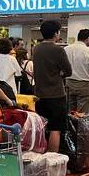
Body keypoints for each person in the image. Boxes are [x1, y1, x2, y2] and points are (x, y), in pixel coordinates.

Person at [32, 21, 72, 153]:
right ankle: (52, 160)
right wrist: (60, 73)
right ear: (55, 34)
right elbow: (68, 71)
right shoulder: (58, 50)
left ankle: (41, 155)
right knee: (56, 128)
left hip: (39, 94)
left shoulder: (36, 48)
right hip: (55, 94)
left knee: (42, 127)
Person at [65, 29, 89, 114]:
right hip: (85, 84)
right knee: (82, 114)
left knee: (69, 112)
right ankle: (79, 128)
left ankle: (70, 127)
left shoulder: (66, 49)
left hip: (68, 83)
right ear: (88, 39)